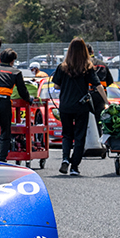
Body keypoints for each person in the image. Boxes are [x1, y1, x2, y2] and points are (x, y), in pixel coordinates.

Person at [51, 38, 100, 176]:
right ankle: (74, 166)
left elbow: (56, 86)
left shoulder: (62, 67)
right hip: (81, 106)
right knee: (80, 136)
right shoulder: (87, 68)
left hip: (65, 106)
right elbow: (97, 85)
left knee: (67, 134)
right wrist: (106, 101)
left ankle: (65, 159)